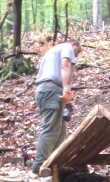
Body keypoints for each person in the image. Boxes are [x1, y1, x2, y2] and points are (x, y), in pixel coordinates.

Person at [32, 39, 82, 175]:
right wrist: (67, 89)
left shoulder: (52, 52)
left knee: (59, 130)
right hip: (51, 90)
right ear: (73, 45)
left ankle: (55, 163)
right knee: (51, 128)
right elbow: (65, 66)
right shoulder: (67, 48)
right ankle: (40, 164)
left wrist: (67, 102)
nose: (75, 57)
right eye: (76, 53)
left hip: (47, 90)